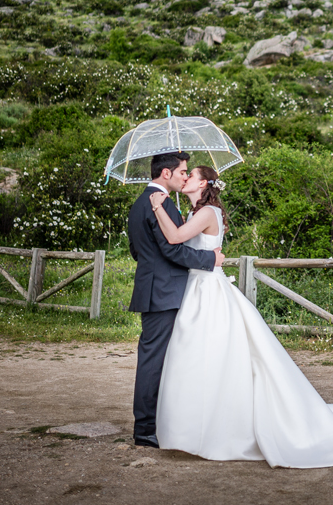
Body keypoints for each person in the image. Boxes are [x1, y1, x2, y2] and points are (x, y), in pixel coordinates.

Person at [149, 165, 333, 468]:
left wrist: (158, 207)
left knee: (213, 354)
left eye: (191, 175)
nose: (184, 178)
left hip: (209, 291)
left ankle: (220, 429)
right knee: (196, 357)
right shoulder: (196, 212)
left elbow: (174, 239)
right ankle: (193, 428)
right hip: (197, 289)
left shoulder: (207, 213)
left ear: (203, 184)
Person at [127, 152, 224, 449]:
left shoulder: (140, 203)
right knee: (154, 361)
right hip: (163, 293)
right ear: (166, 174)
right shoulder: (160, 204)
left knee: (168, 360)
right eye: (182, 171)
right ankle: (145, 430)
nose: (184, 176)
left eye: (188, 173)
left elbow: (136, 250)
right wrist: (210, 258)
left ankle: (166, 422)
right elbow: (171, 249)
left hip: (158, 288)